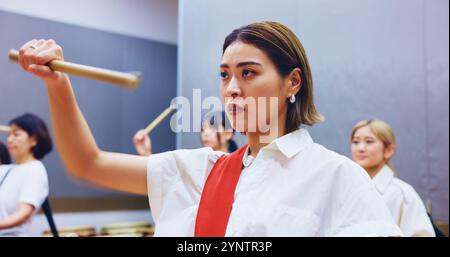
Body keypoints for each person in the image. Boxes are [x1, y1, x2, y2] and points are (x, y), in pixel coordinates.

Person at [17, 21, 401, 236]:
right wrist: (58, 85)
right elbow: (89, 164)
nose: (232, 88)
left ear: (292, 83)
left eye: (248, 73)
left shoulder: (336, 176)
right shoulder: (203, 168)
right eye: (224, 75)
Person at [351, 119, 435, 236]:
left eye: (369, 142)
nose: (360, 148)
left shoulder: (402, 194)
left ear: (389, 150)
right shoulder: (348, 190)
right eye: (355, 142)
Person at [0, 113, 52, 236]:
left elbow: (23, 215)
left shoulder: (35, 170)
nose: (9, 139)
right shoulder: (7, 170)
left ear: (33, 139)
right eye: (9, 134)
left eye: (16, 134)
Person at [133, 111, 238, 156]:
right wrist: (146, 154)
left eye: (212, 127)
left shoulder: (240, 168)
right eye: (203, 129)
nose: (205, 133)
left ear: (228, 133)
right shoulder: (198, 163)